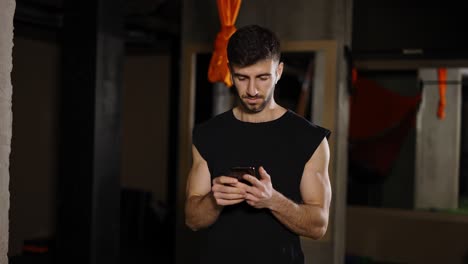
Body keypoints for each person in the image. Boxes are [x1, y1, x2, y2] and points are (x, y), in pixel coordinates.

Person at [184, 24, 332, 264]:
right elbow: (192, 220)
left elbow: (318, 226)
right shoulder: (207, 134)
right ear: (231, 73)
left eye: (262, 78)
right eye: (242, 78)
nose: (252, 90)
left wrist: (272, 200)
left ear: (279, 71)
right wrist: (214, 199)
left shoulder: (310, 139)